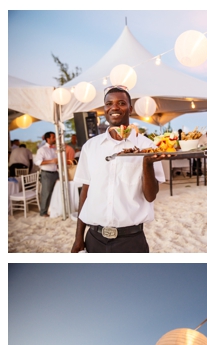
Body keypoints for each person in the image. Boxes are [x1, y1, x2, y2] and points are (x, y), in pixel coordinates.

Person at [71, 88, 167, 252]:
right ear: (104, 109)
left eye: (121, 103)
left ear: (130, 109)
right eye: (109, 104)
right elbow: (86, 191)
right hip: (94, 238)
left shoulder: (147, 147)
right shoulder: (90, 147)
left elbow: (150, 196)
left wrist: (147, 164)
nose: (114, 107)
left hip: (131, 240)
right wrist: (78, 237)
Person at [35, 131, 60, 217]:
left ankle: (52, 210)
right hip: (46, 174)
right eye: (53, 137)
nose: (55, 139)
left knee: (55, 192)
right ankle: (43, 212)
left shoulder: (54, 149)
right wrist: (51, 161)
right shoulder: (42, 150)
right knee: (46, 193)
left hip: (55, 172)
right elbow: (38, 162)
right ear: (47, 139)